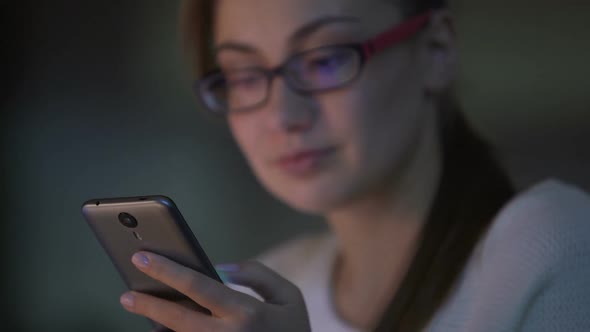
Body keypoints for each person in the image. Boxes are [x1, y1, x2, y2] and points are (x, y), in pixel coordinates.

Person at [117, 0, 590, 331]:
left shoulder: (552, 246)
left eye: (325, 60)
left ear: (435, 51)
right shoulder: (273, 287)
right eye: (244, 76)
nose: (284, 116)